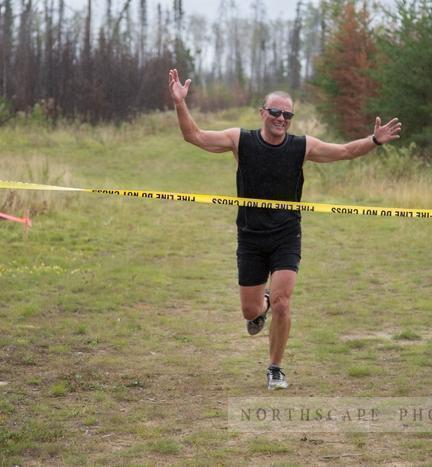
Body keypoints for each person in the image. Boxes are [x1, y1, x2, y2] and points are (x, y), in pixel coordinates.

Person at [168, 68, 401, 390]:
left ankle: (275, 368)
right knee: (250, 311)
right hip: (250, 236)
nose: (281, 118)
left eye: (287, 115)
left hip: (286, 235)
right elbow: (194, 136)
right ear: (262, 112)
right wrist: (180, 103)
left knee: (283, 302)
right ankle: (260, 305)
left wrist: (374, 140)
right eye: (275, 112)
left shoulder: (302, 146)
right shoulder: (240, 140)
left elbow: (345, 151)